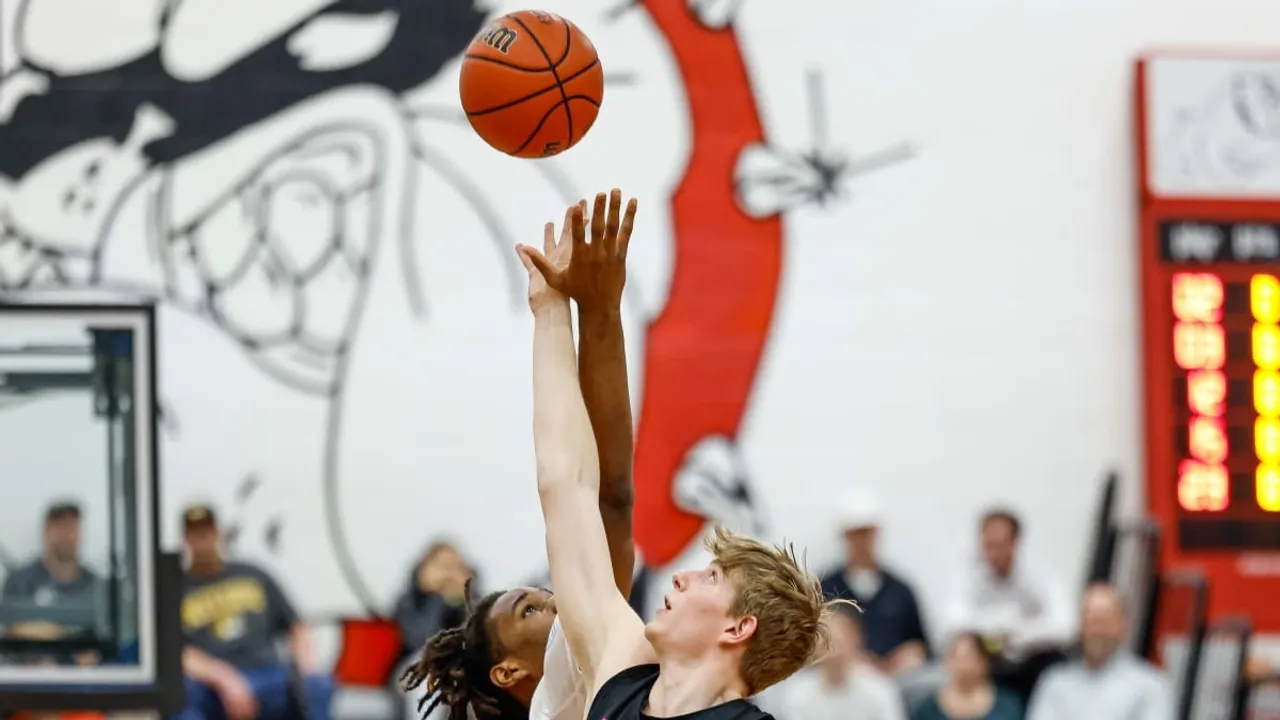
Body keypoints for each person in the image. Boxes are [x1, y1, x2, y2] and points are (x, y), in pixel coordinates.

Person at [519, 191, 833, 720]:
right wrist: (550, 308)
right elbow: (567, 489)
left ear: (738, 627)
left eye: (710, 578)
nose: (681, 577)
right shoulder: (623, 673)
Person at [400, 194, 638, 720]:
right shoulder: (560, 698)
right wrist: (575, 311)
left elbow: (609, 499)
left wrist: (589, 311)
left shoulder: (587, 674)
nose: (558, 601)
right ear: (509, 673)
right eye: (531, 610)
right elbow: (587, 492)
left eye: (544, 596)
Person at [177, 504, 334, 720]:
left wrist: (307, 667)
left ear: (217, 533)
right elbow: (176, 652)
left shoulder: (252, 574)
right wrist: (225, 679)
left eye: (206, 532)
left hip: (265, 675)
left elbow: (296, 626)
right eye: (195, 534)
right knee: (180, 701)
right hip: (209, 686)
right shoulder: (175, 589)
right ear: (185, 539)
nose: (202, 540)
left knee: (318, 686)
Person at [1026, 583, 1171, 720]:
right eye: (1092, 620)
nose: (1098, 631)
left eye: (1104, 621)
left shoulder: (1150, 686)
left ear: (1122, 626)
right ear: (1081, 626)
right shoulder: (1055, 682)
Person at [774, 607, 907, 720]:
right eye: (826, 643)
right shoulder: (797, 694)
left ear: (856, 639)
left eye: (840, 641)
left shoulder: (879, 689)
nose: (834, 652)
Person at [911, 633, 1022, 720]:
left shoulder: (1008, 706)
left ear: (984, 661)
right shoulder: (926, 711)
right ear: (947, 661)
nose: (964, 666)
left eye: (970, 658)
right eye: (958, 658)